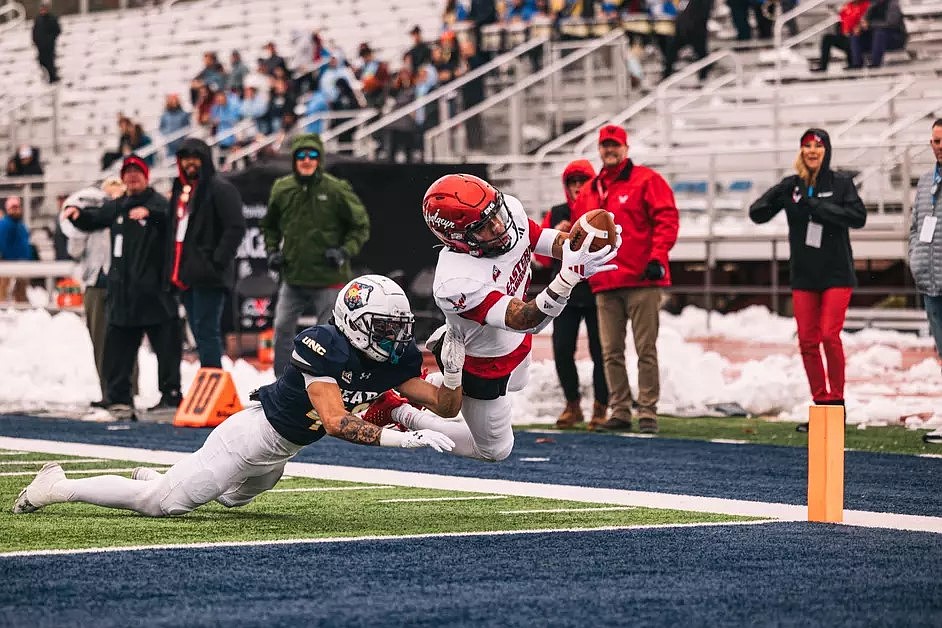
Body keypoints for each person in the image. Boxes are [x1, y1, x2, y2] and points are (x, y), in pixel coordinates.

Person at [11, 275, 463, 517]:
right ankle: (58, 487)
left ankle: (161, 476)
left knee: (231, 499)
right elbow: (334, 420)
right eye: (384, 327)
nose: (394, 338)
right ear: (353, 320)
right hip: (251, 437)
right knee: (165, 505)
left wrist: (456, 368)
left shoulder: (391, 359)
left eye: (398, 328)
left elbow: (444, 405)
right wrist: (402, 439)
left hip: (282, 452)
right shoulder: (324, 344)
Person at [370, 173, 619, 462]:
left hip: (513, 341)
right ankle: (401, 411)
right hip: (485, 363)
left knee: (520, 382)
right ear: (457, 238)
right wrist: (568, 277)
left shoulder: (507, 212)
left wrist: (583, 247)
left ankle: (430, 380)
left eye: (497, 214)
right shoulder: (456, 281)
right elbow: (527, 319)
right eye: (484, 227)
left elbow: (539, 238)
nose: (500, 226)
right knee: (494, 450)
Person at [749, 129, 866, 432]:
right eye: (806, 146)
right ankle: (821, 404)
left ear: (827, 150)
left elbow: (858, 217)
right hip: (804, 275)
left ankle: (837, 404)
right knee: (807, 341)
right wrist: (780, 194)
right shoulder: (793, 185)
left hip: (837, 273)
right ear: (801, 151)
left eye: (818, 146)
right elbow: (758, 213)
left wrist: (818, 207)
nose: (812, 151)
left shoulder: (840, 183)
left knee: (829, 334)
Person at [571, 125, 679, 434]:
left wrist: (658, 257)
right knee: (610, 351)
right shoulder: (591, 189)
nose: (610, 150)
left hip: (642, 279)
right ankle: (619, 409)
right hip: (605, 282)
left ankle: (647, 411)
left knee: (646, 348)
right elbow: (579, 232)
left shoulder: (647, 180)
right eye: (605, 145)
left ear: (626, 148)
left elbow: (666, 219)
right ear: (599, 149)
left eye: (615, 145)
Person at [64, 155, 182, 421]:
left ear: (146, 176)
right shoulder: (118, 205)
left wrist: (149, 215)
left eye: (136, 173)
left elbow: (171, 219)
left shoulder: (159, 204)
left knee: (166, 348)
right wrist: (77, 215)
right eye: (127, 173)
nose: (131, 177)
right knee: (118, 350)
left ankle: (170, 394)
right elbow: (95, 218)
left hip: (155, 295)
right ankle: (118, 398)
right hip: (124, 296)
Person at [261, 133, 371, 377]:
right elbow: (269, 225)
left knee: (325, 338)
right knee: (281, 330)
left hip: (329, 279)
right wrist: (271, 251)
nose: (307, 160)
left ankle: (324, 385)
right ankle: (281, 382)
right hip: (293, 278)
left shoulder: (335, 188)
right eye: (301, 155)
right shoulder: (283, 188)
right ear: (294, 159)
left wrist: (344, 252)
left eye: (312, 155)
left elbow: (360, 225)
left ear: (319, 159)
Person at [535, 160, 609, 429]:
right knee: (562, 348)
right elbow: (541, 259)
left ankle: (601, 406)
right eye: (572, 181)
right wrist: (558, 237)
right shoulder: (557, 213)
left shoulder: (602, 213)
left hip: (597, 290)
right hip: (565, 290)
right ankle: (572, 403)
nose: (578, 187)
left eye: (583, 181)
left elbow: (613, 247)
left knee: (601, 351)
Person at [167, 138, 246, 372]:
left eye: (195, 157)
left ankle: (213, 382)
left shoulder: (220, 188)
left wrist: (216, 262)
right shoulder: (181, 190)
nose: (189, 163)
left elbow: (236, 227)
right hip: (186, 275)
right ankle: (208, 381)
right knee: (198, 331)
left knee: (207, 330)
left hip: (209, 275)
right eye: (184, 158)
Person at [58, 178, 137, 408]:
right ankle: (106, 391)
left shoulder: (124, 218)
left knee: (126, 339)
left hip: (122, 285)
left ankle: (129, 389)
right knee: (100, 341)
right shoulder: (91, 220)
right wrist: (77, 226)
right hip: (95, 283)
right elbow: (74, 251)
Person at [908, 120, 942, 440]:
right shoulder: (923, 182)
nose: (939, 146)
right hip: (931, 281)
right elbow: (916, 226)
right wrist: (915, 259)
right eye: (934, 141)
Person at [809, 0, 870, 72]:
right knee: (827, 38)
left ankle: (854, 62)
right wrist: (833, 10)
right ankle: (823, 66)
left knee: (853, 38)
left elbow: (866, 23)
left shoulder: (866, 5)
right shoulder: (849, 5)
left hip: (858, 38)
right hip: (846, 37)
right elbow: (842, 17)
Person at [0, 196, 33, 303]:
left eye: (17, 207)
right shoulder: (4, 224)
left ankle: (22, 310)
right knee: (2, 290)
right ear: (8, 209)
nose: (16, 210)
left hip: (22, 263)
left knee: (21, 291)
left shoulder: (21, 225)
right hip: (7, 262)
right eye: (13, 208)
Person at [31, 2, 60, 83]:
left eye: (44, 8)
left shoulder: (52, 18)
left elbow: (57, 30)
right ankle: (48, 76)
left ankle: (53, 78)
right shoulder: (38, 19)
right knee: (41, 61)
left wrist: (50, 39)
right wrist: (35, 40)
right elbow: (34, 31)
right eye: (41, 8)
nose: (42, 10)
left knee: (50, 62)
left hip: (49, 46)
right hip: (40, 46)